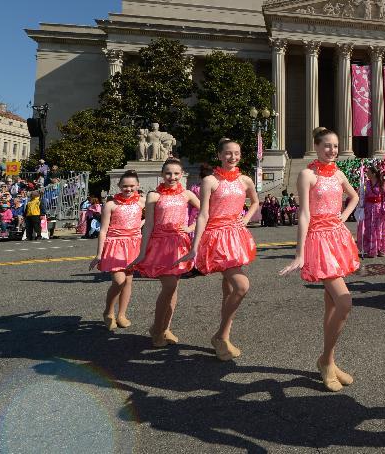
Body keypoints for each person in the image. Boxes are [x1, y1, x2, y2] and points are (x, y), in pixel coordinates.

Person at [279, 128, 360, 392]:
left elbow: (355, 196)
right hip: (319, 241)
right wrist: (299, 253)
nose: (332, 151)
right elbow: (303, 214)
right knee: (344, 301)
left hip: (337, 238)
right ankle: (325, 360)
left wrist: (343, 216)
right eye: (327, 146)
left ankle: (331, 361)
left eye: (336, 146)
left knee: (332, 306)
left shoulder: (338, 173)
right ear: (316, 146)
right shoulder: (307, 174)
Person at [180, 139, 258, 361]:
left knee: (229, 290)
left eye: (236, 153)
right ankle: (220, 335)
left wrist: (245, 220)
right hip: (217, 236)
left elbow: (255, 202)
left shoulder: (245, 180)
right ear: (219, 155)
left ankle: (224, 338)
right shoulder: (210, 181)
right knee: (241, 286)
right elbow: (203, 213)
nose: (232, 157)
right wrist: (195, 246)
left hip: (236, 234)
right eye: (228, 153)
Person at [128, 159, 200, 348]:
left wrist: (191, 227)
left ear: (182, 174)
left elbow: (205, 211)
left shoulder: (187, 194)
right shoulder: (154, 195)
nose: (172, 177)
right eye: (168, 173)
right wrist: (142, 252)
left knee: (173, 288)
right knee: (168, 287)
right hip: (160, 245)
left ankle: (165, 327)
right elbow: (149, 224)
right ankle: (157, 330)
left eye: (176, 173)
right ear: (162, 174)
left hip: (179, 243)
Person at [89, 170, 145, 331]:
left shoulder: (142, 202)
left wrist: (139, 225)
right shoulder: (111, 204)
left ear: (137, 186)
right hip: (115, 244)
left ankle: (121, 314)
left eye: (132, 186)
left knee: (128, 280)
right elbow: (103, 230)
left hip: (134, 244)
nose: (128, 189)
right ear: (119, 186)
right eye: (125, 186)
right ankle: (108, 311)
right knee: (119, 281)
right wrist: (99, 254)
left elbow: (154, 215)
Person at [357, 163, 385, 258]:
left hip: (378, 209)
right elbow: (363, 196)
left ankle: (380, 249)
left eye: (368, 172)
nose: (367, 173)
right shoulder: (366, 183)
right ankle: (371, 250)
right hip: (368, 209)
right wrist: (361, 207)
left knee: (379, 230)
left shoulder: (382, 183)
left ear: (373, 173)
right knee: (369, 230)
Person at [188, 163, 214, 236]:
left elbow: (190, 205)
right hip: (210, 212)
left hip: (195, 213)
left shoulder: (194, 187)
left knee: (195, 233)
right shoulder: (213, 187)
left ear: (200, 177)